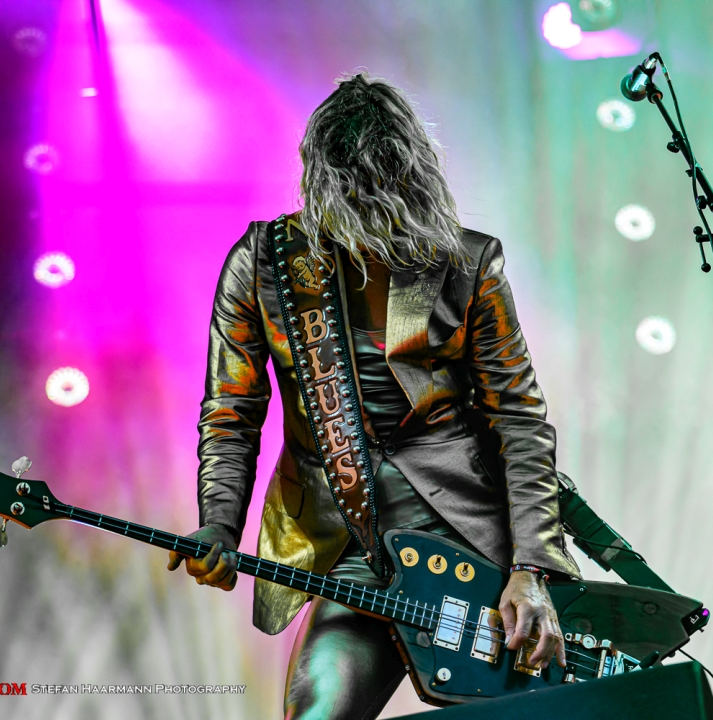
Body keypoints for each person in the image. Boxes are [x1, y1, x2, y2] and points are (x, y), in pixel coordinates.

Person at [167, 73, 581, 719]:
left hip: (475, 543)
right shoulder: (265, 263)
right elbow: (231, 412)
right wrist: (219, 522)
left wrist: (532, 568)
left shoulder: (467, 262)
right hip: (349, 553)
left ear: (412, 175)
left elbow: (519, 418)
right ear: (322, 181)